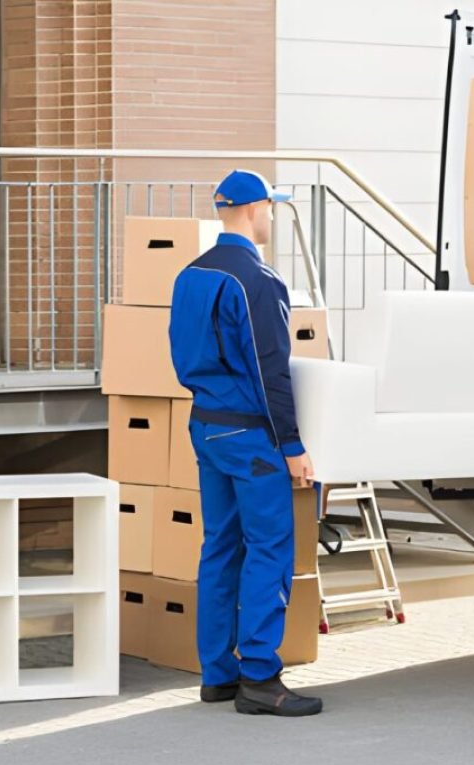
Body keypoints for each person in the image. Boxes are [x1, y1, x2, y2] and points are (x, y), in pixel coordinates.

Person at [168, 169, 323, 716]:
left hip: (206, 424)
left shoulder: (189, 275)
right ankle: (260, 675)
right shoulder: (257, 280)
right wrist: (293, 445)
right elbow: (271, 372)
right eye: (272, 207)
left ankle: (218, 673)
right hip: (251, 435)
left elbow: (181, 355)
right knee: (269, 548)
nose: (273, 216)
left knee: (220, 546)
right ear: (256, 209)